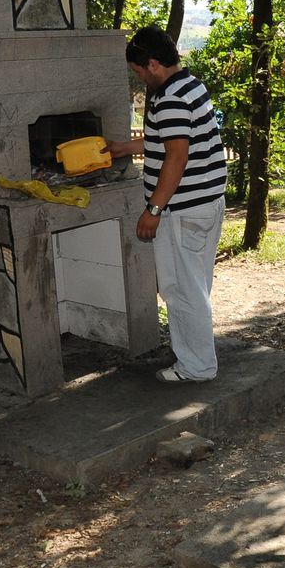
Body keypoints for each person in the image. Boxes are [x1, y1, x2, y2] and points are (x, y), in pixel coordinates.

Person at [103, 26, 227, 384]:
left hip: (183, 210)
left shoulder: (170, 97)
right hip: (205, 203)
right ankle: (198, 358)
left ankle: (197, 367)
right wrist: (124, 148)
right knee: (194, 286)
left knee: (182, 289)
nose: (138, 78)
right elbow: (174, 139)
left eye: (138, 71)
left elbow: (177, 156)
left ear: (153, 64)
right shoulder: (191, 85)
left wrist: (153, 210)